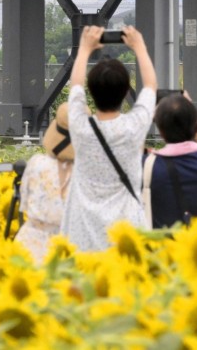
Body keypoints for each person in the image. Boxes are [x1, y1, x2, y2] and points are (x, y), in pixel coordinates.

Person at [61, 25, 157, 251]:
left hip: (82, 233)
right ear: (126, 92)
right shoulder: (134, 126)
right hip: (125, 236)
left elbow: (75, 87)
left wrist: (84, 50)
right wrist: (139, 47)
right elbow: (151, 86)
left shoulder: (80, 126)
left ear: (91, 93)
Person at [144, 93, 197, 228]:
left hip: (163, 247)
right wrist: (194, 121)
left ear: (160, 131)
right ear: (196, 124)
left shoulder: (148, 167)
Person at [15, 103, 74, 263]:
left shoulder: (36, 164)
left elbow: (24, 204)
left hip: (30, 245)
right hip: (69, 248)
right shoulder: (86, 175)